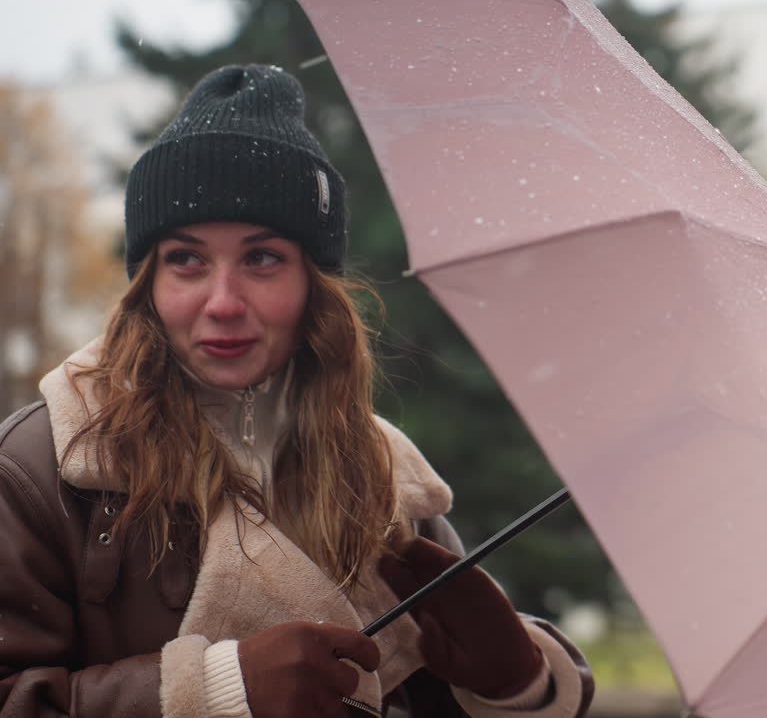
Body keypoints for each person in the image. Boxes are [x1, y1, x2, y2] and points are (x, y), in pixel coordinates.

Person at [0, 64, 592, 718]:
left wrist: (517, 685)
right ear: (148, 284)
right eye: (187, 260)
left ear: (314, 286)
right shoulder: (42, 467)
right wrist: (216, 692)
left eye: (262, 259)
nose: (223, 303)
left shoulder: (387, 478)